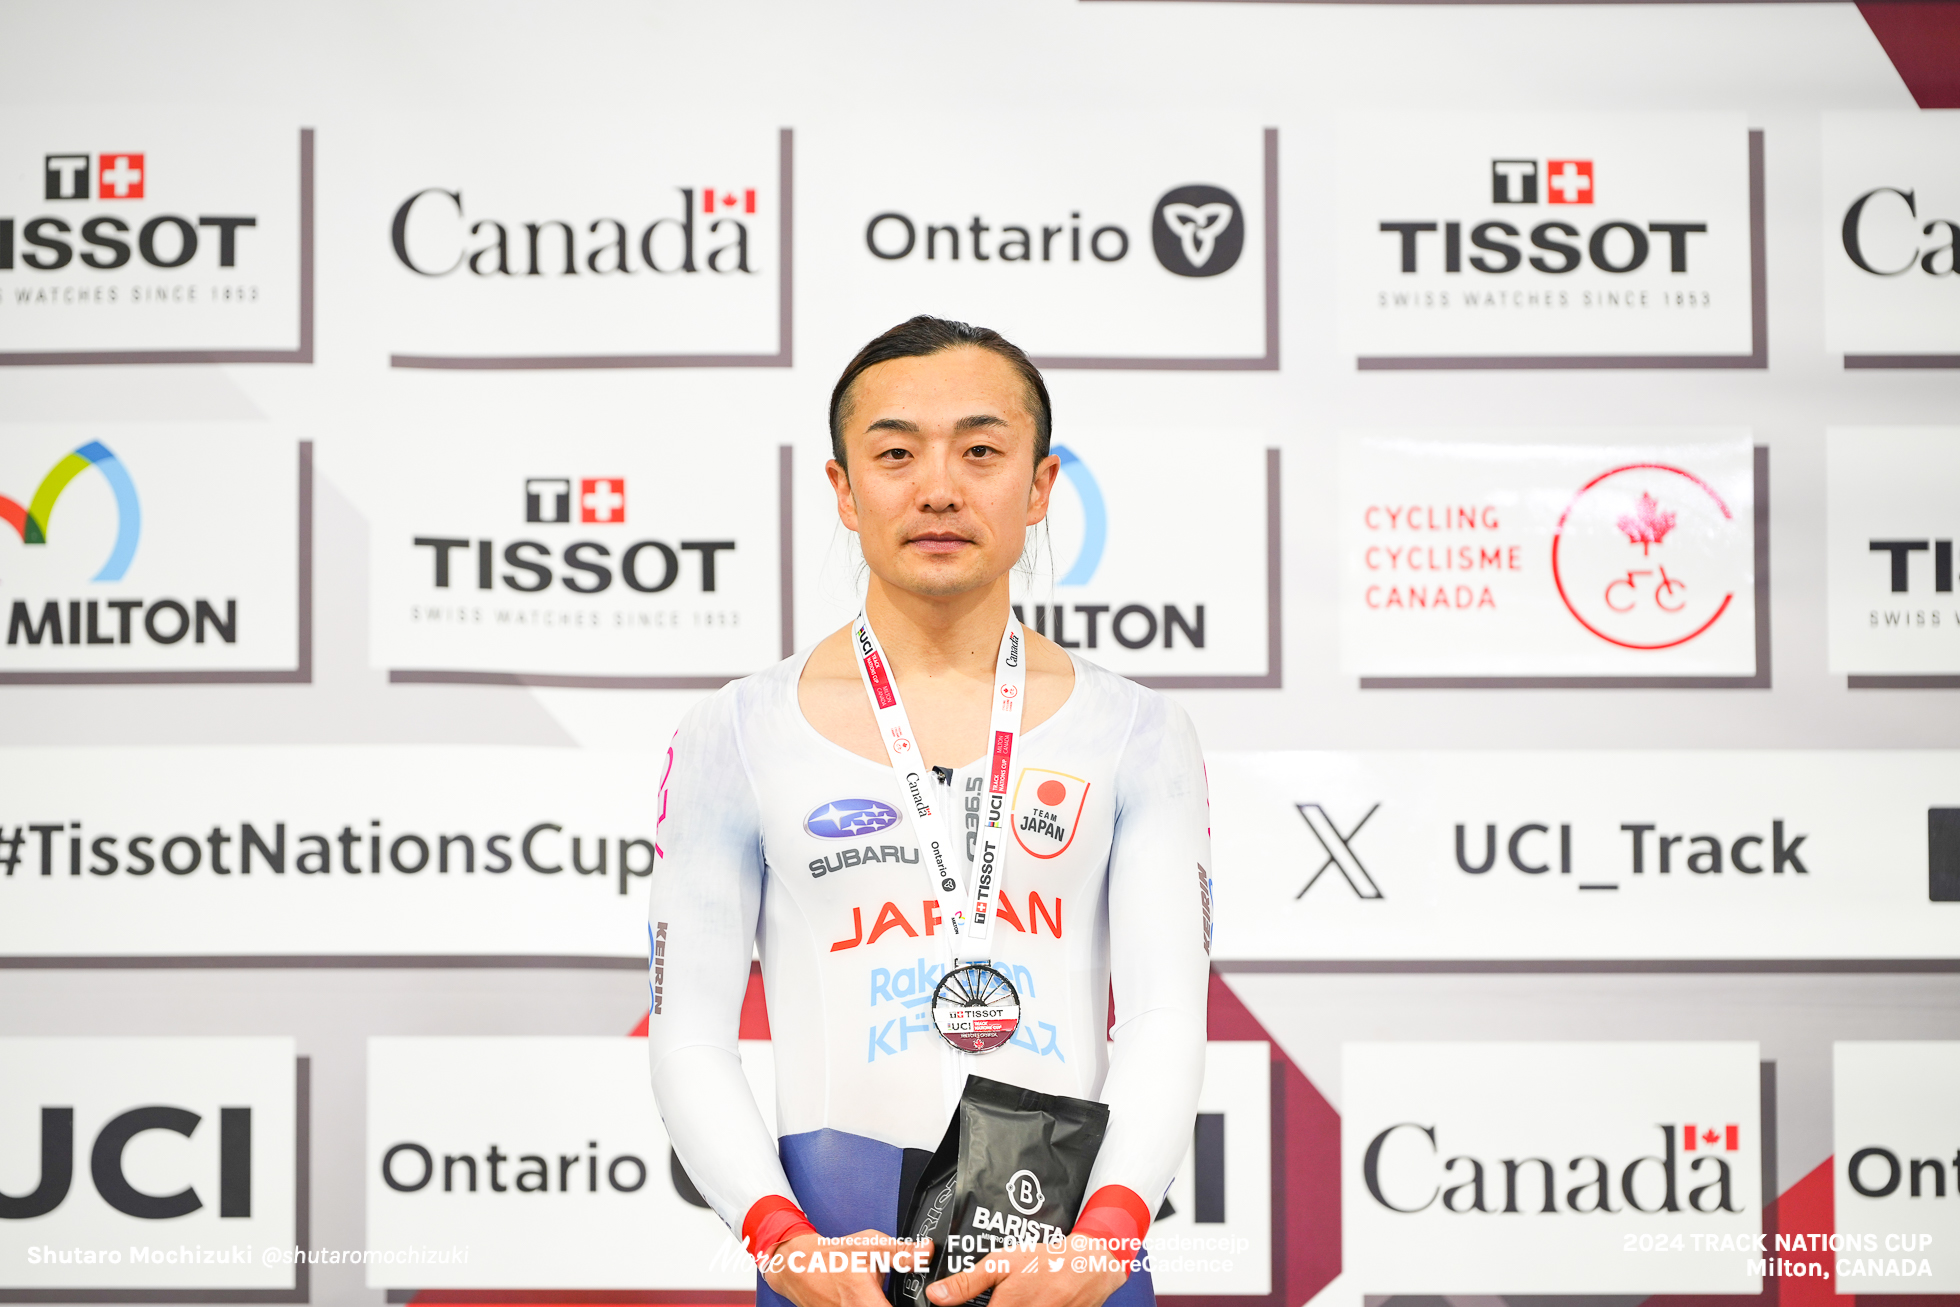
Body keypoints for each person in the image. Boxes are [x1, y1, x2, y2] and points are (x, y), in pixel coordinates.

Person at [646, 316, 1211, 1307]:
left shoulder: (1140, 731)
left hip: (1068, 1258)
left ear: (1039, 487)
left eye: (981, 450)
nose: (939, 486)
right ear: (843, 488)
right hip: (833, 1255)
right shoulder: (734, 732)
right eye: (896, 452)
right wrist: (781, 1238)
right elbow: (688, 1032)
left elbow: (1165, 1013)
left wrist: (1111, 1231)